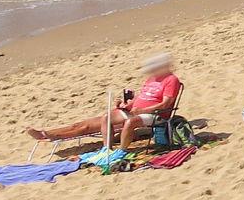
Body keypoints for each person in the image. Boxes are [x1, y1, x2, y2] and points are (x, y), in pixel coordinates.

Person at [27, 52, 181, 147]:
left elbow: (166, 104)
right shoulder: (151, 79)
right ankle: (45, 133)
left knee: (86, 128)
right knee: (85, 123)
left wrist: (141, 110)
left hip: (145, 115)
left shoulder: (171, 80)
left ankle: (52, 136)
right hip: (130, 112)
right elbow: (141, 97)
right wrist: (127, 104)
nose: (152, 71)